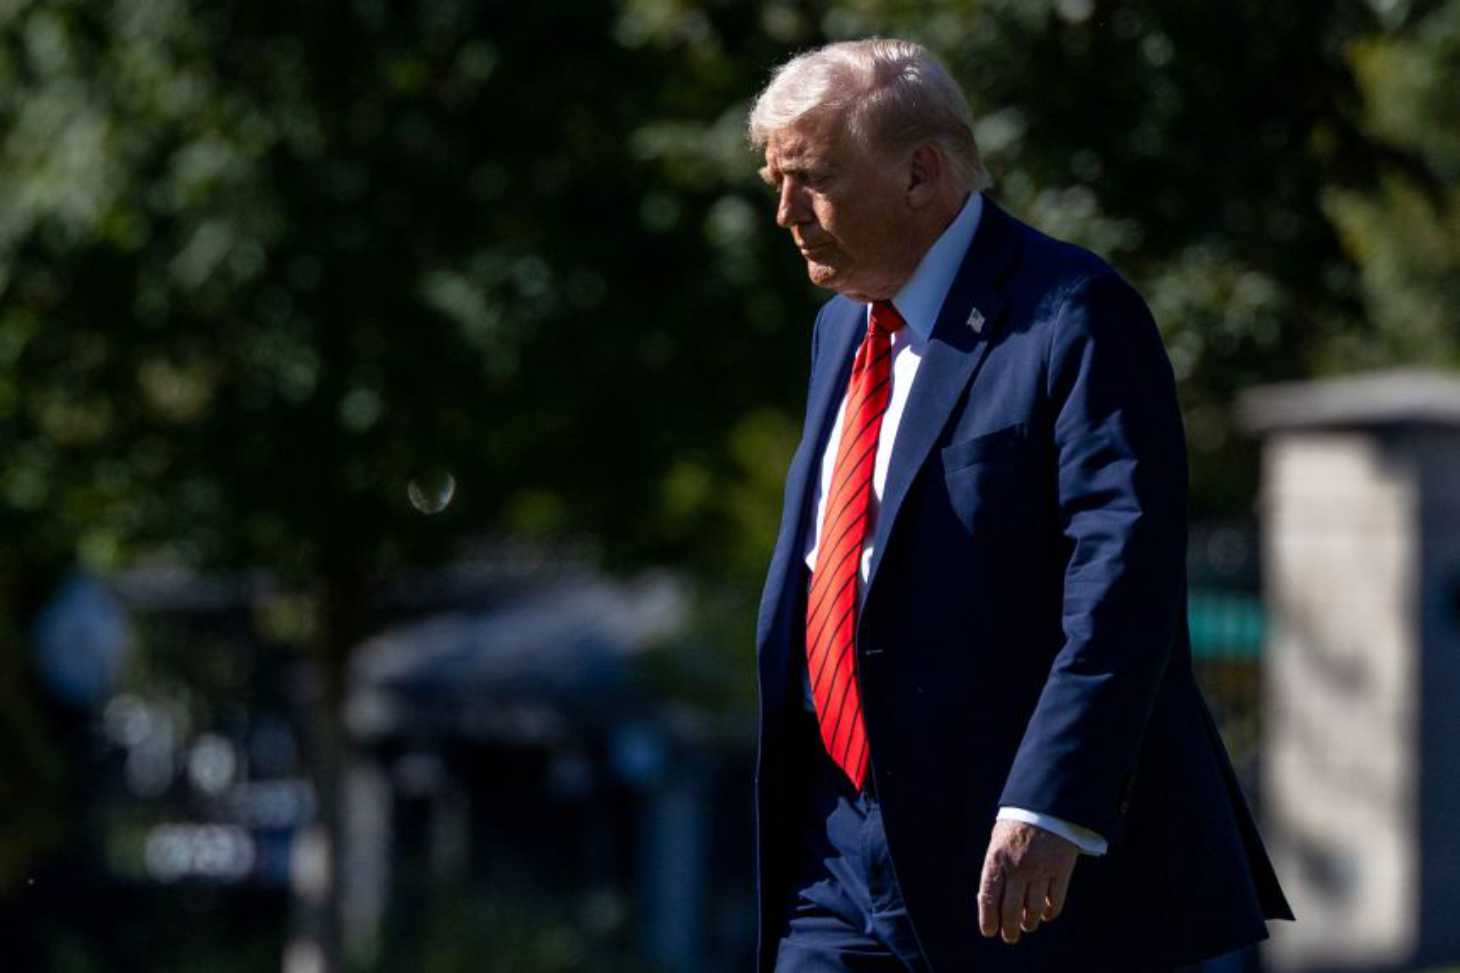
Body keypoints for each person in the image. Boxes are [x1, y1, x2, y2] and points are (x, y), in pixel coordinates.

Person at [746, 38, 1292, 973]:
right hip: (837, 846)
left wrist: (1054, 799)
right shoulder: (839, 325)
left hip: (1013, 852)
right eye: (776, 182)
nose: (787, 212)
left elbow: (1122, 579)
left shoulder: (1073, 312)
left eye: (815, 180)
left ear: (921, 174)